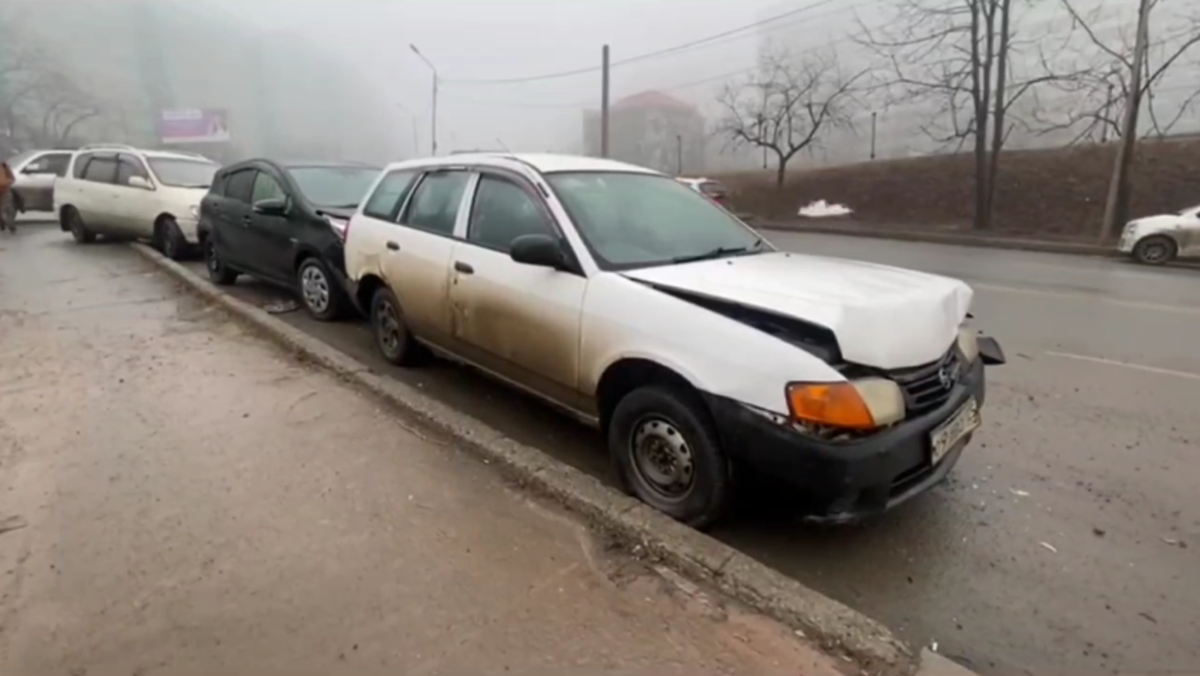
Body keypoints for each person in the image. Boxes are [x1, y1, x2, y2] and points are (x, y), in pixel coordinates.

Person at [0, 159, 16, 234]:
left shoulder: (4, 166)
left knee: (6, 210)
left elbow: (12, 178)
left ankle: (11, 225)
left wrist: (6, 182)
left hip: (5, 191)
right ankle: (2, 224)